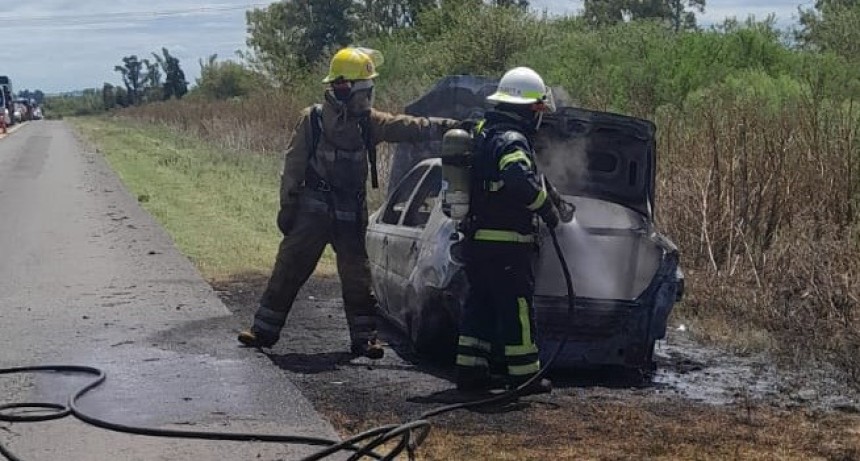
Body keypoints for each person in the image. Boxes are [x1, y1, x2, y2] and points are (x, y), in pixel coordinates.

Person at [238, 47, 459, 359]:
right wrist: (288, 208)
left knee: (357, 276)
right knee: (289, 267)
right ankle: (262, 330)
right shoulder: (312, 120)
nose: (368, 97)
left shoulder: (369, 122)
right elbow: (293, 166)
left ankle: (365, 339)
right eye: (364, 89)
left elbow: (408, 126)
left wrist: (451, 126)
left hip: (351, 211)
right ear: (344, 89)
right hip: (312, 209)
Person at [455, 66, 561, 395]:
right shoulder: (513, 139)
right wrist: (546, 208)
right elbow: (517, 179)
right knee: (517, 308)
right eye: (538, 110)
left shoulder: (484, 131)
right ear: (529, 109)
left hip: (477, 241)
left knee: (480, 305)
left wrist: (549, 193)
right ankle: (524, 376)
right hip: (507, 244)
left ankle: (471, 372)